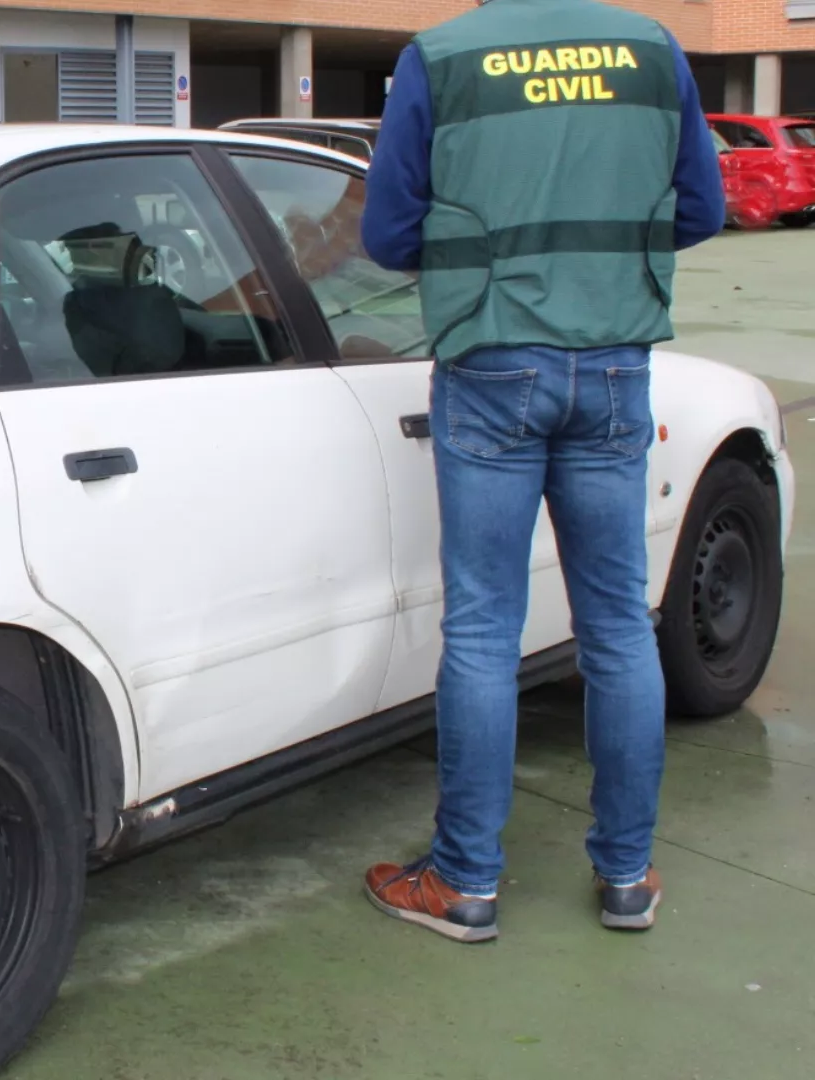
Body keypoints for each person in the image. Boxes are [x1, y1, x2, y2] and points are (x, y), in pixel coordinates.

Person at [358, 0, 726, 943]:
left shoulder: (439, 57)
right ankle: (628, 880)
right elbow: (703, 209)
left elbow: (390, 236)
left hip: (489, 361)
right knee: (617, 622)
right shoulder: (652, 48)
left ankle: (465, 883)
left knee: (484, 625)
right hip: (615, 360)